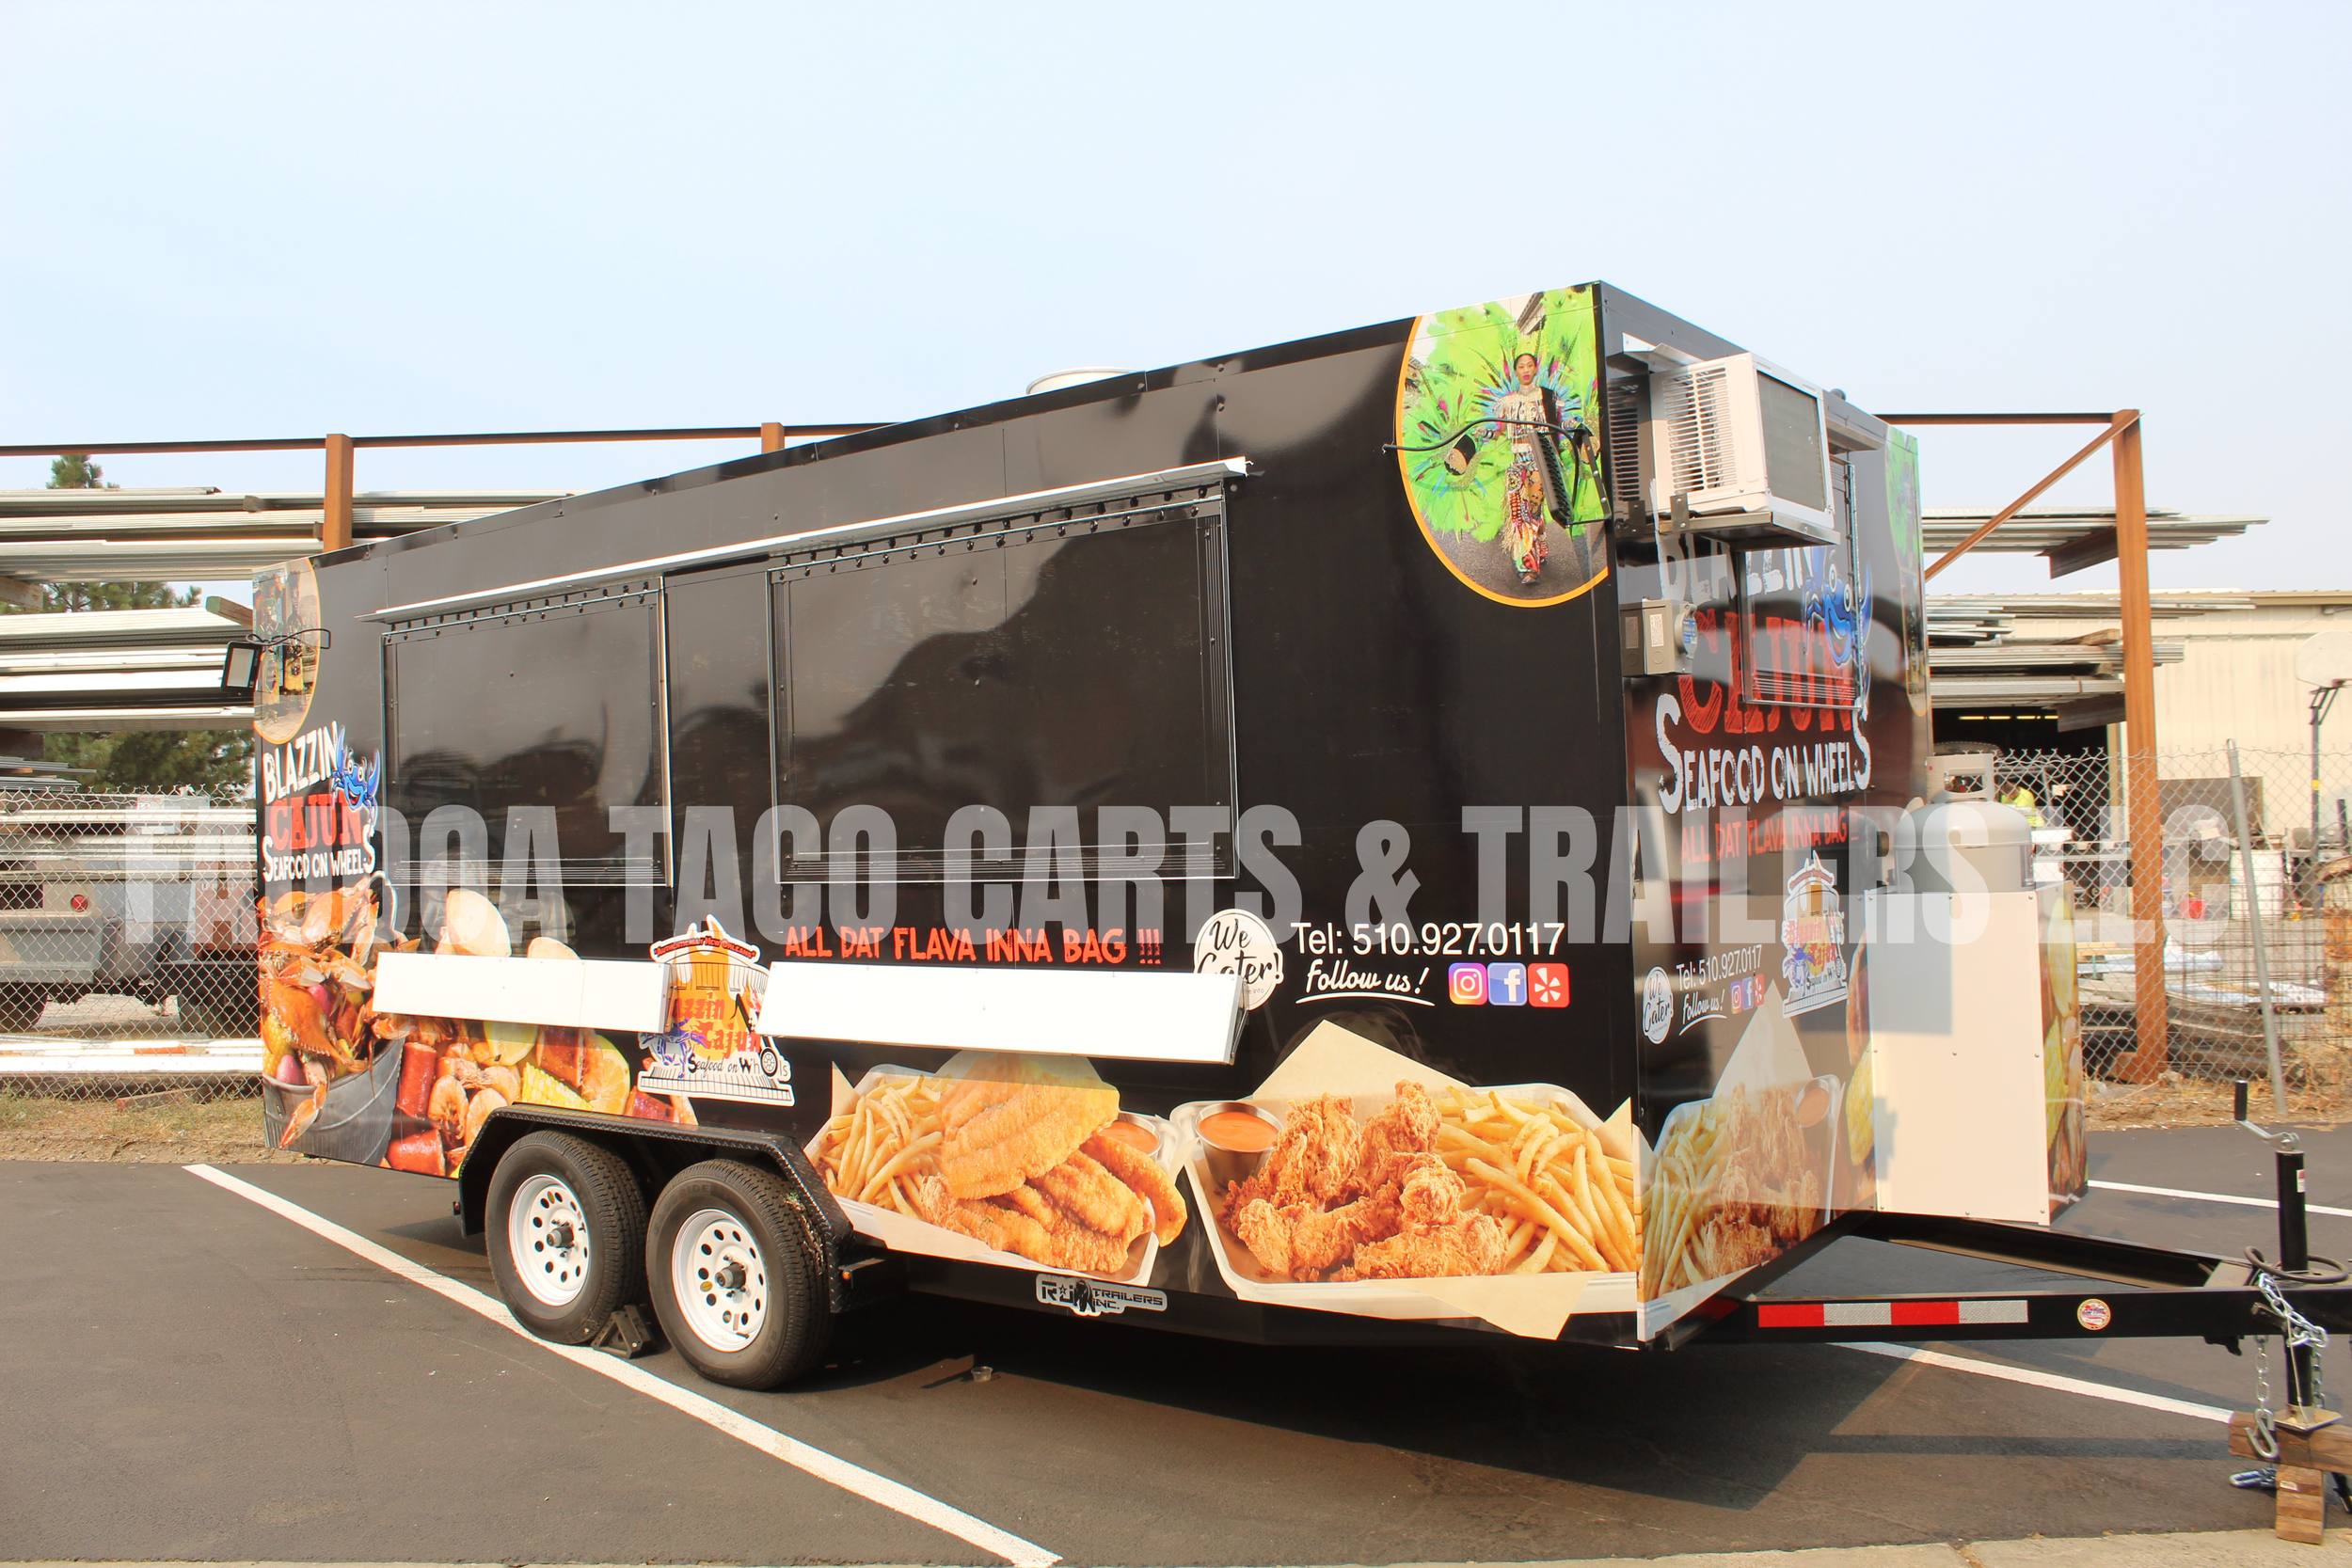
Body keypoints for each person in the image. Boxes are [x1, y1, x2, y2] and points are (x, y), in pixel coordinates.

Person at [1493, 352, 1561, 585]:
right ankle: (1528, 568)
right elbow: (1499, 431)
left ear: (1535, 368)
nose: (1525, 369)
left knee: (1533, 511)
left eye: (1529, 365)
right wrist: (1484, 433)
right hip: (1516, 463)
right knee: (1518, 514)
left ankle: (1539, 550)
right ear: (1515, 371)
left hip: (1539, 462)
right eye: (1521, 366)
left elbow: (1559, 424)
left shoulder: (1547, 398)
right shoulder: (1507, 402)